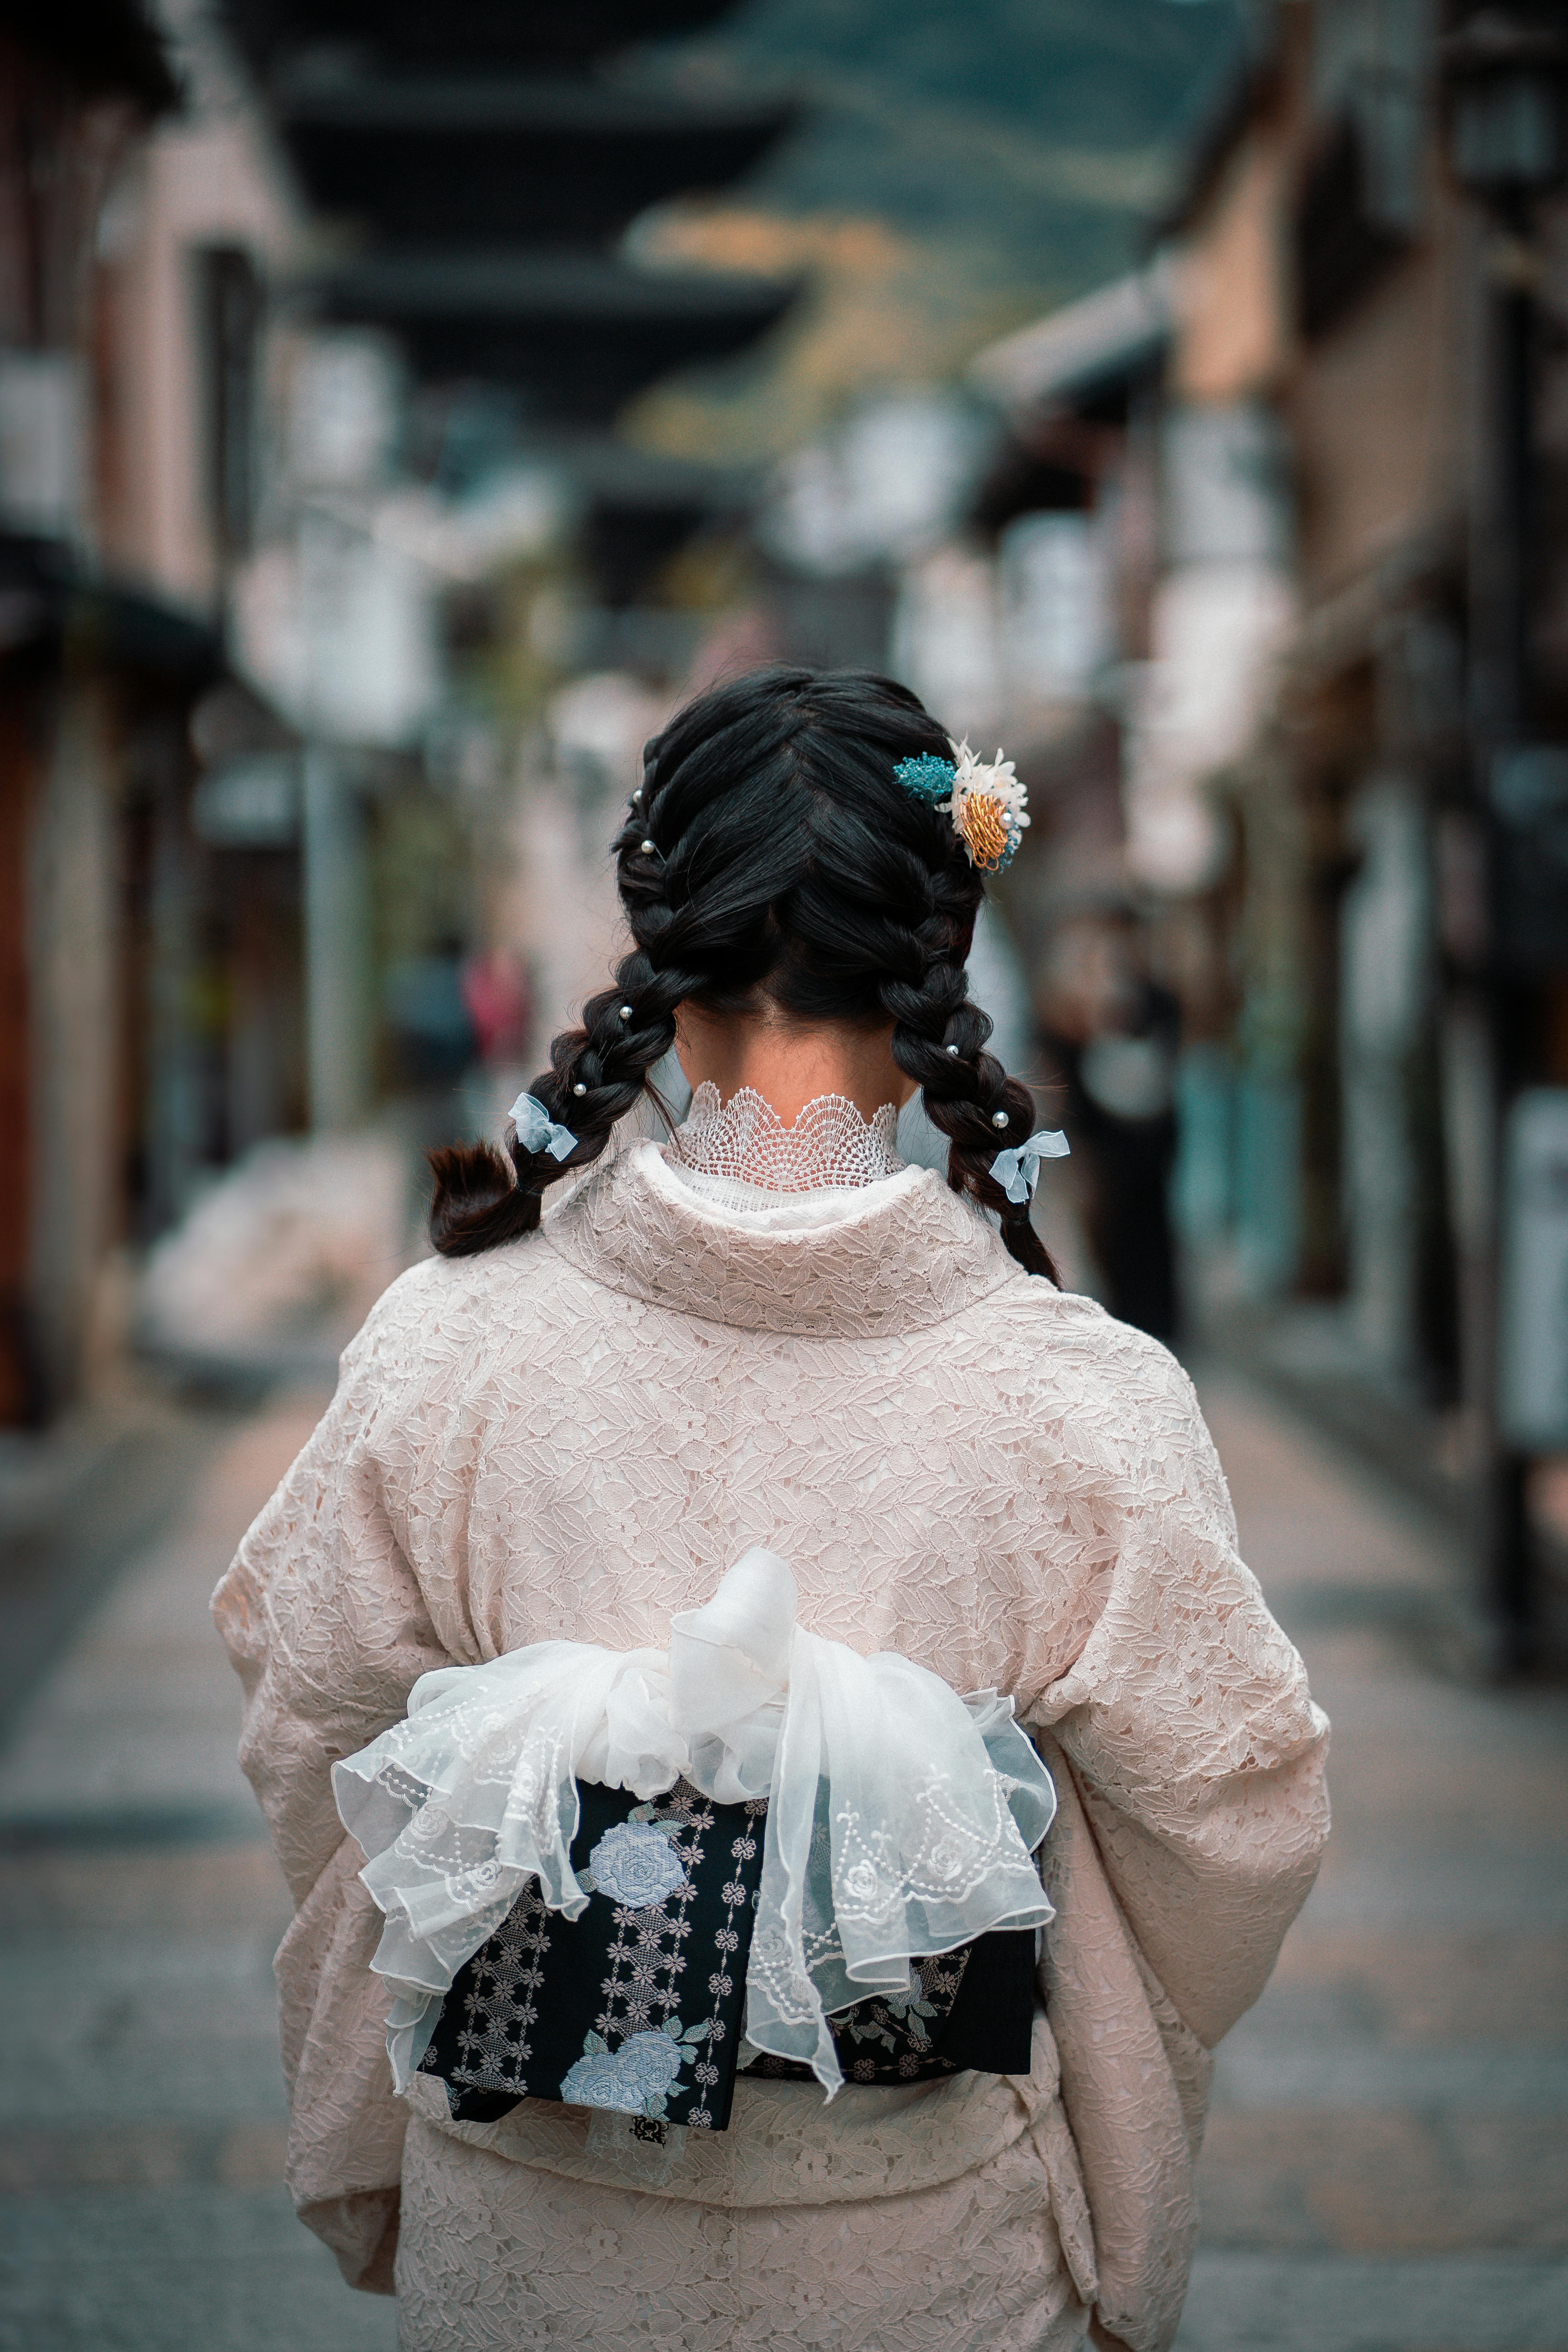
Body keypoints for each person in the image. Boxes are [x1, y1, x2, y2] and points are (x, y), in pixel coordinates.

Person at [213, 668, 1329, 2352]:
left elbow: (319, 1739)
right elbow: (1234, 1820)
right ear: (938, 948)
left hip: (529, 2248)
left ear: (661, 931)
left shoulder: (444, 1349)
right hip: (925, 2256)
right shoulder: (1076, 1398)